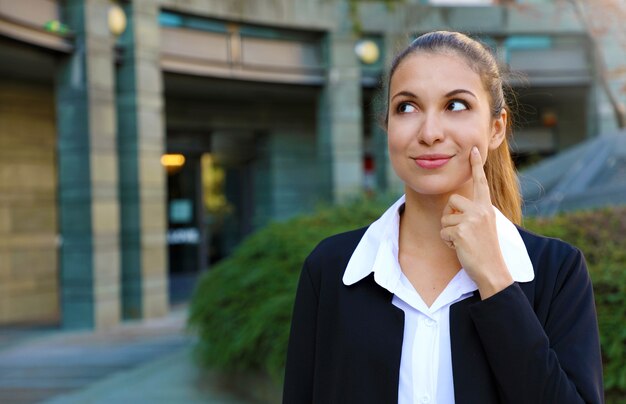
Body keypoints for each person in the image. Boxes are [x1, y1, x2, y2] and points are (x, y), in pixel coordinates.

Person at [282, 31, 604, 403]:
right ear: (387, 125)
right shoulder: (330, 269)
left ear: (496, 128)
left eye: (455, 105)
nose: (430, 132)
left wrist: (495, 281)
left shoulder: (557, 272)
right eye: (407, 107)